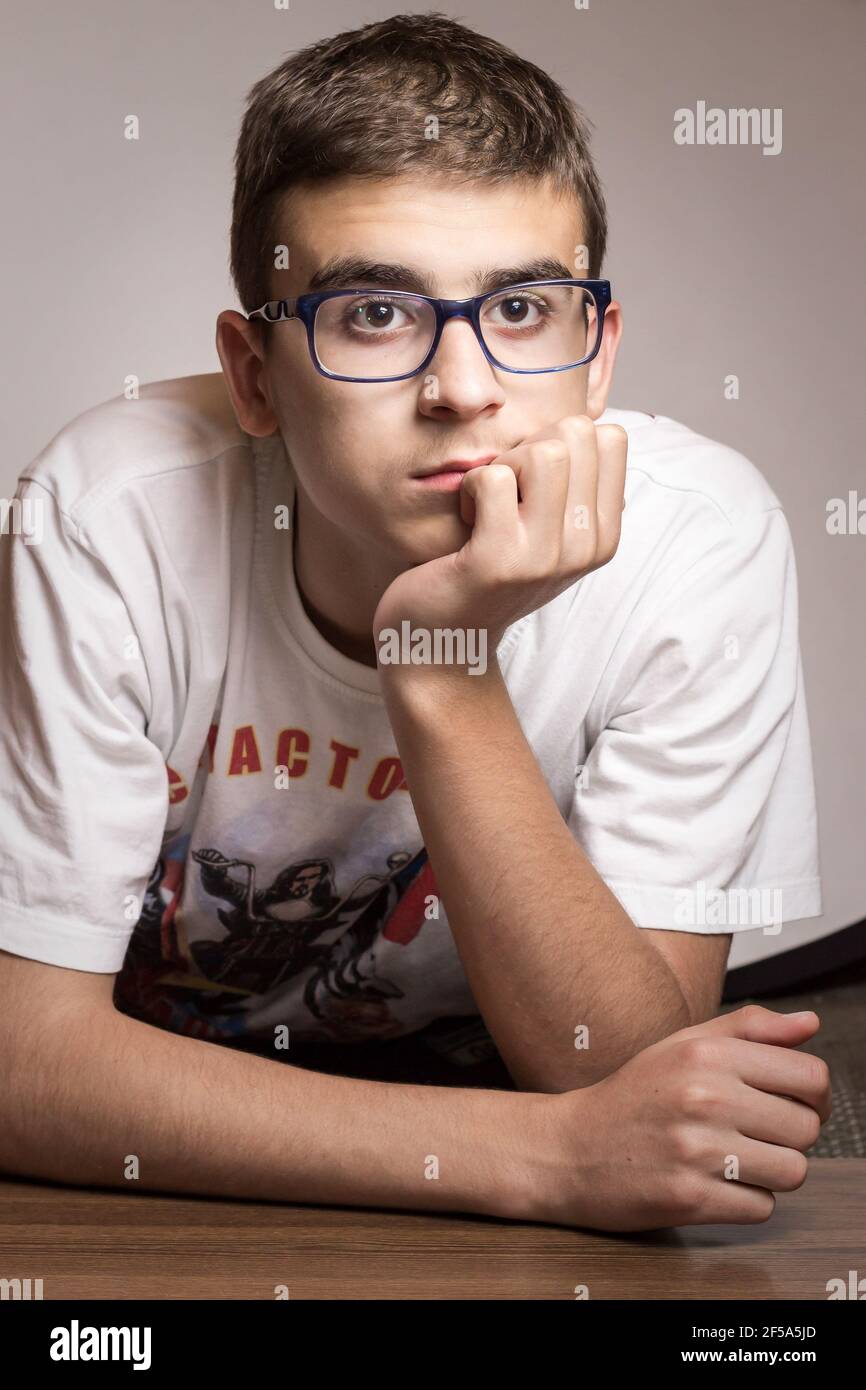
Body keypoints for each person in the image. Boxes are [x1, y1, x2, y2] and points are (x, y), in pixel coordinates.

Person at [0, 12, 829, 1232]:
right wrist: (540, 1160)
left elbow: (625, 1081)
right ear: (254, 377)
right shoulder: (107, 511)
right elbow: (29, 1067)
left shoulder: (700, 539)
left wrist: (442, 669)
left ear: (597, 353)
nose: (464, 389)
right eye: (374, 316)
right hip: (163, 1191)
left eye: (523, 309)